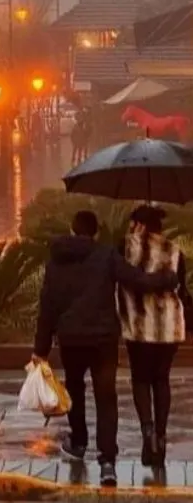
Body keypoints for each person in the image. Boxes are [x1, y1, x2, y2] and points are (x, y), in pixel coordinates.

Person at [33, 209, 178, 488]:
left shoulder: (56, 262)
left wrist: (40, 348)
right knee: (106, 398)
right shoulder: (106, 254)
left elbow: (47, 308)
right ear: (96, 232)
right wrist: (167, 279)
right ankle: (107, 462)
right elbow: (137, 279)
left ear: (73, 230)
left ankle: (78, 443)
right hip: (103, 341)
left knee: (74, 388)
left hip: (71, 340)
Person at [118, 204, 192, 467]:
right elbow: (181, 289)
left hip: (139, 329)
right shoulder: (175, 252)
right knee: (162, 380)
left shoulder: (125, 248)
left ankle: (147, 433)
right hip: (170, 328)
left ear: (138, 225)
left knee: (140, 380)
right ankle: (160, 437)